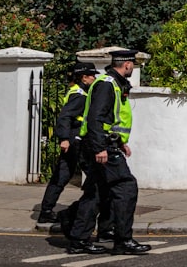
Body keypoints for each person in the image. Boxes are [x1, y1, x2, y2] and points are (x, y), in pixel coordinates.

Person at [66, 49, 151, 255]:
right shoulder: (107, 84)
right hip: (100, 145)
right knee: (126, 187)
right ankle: (123, 239)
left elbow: (111, 119)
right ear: (127, 65)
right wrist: (100, 148)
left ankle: (78, 239)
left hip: (104, 143)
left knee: (96, 193)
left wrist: (120, 142)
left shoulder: (114, 84)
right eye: (133, 64)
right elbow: (96, 118)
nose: (133, 67)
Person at [38, 62, 99, 224]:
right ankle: (89, 208)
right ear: (84, 77)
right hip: (76, 139)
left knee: (62, 175)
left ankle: (46, 210)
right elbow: (65, 116)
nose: (94, 78)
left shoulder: (80, 91)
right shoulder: (79, 95)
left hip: (74, 138)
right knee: (95, 174)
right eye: (92, 75)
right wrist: (64, 138)